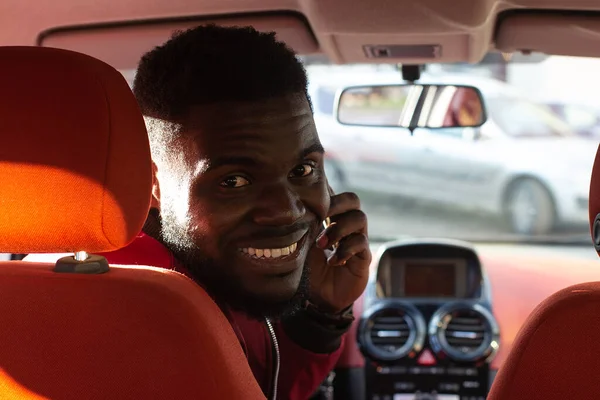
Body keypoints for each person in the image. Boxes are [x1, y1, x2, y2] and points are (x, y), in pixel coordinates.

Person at [101, 25, 371, 400]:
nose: (285, 211)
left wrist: (320, 315)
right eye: (235, 181)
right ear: (152, 184)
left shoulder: (202, 273)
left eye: (303, 170)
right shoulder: (131, 310)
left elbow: (250, 385)